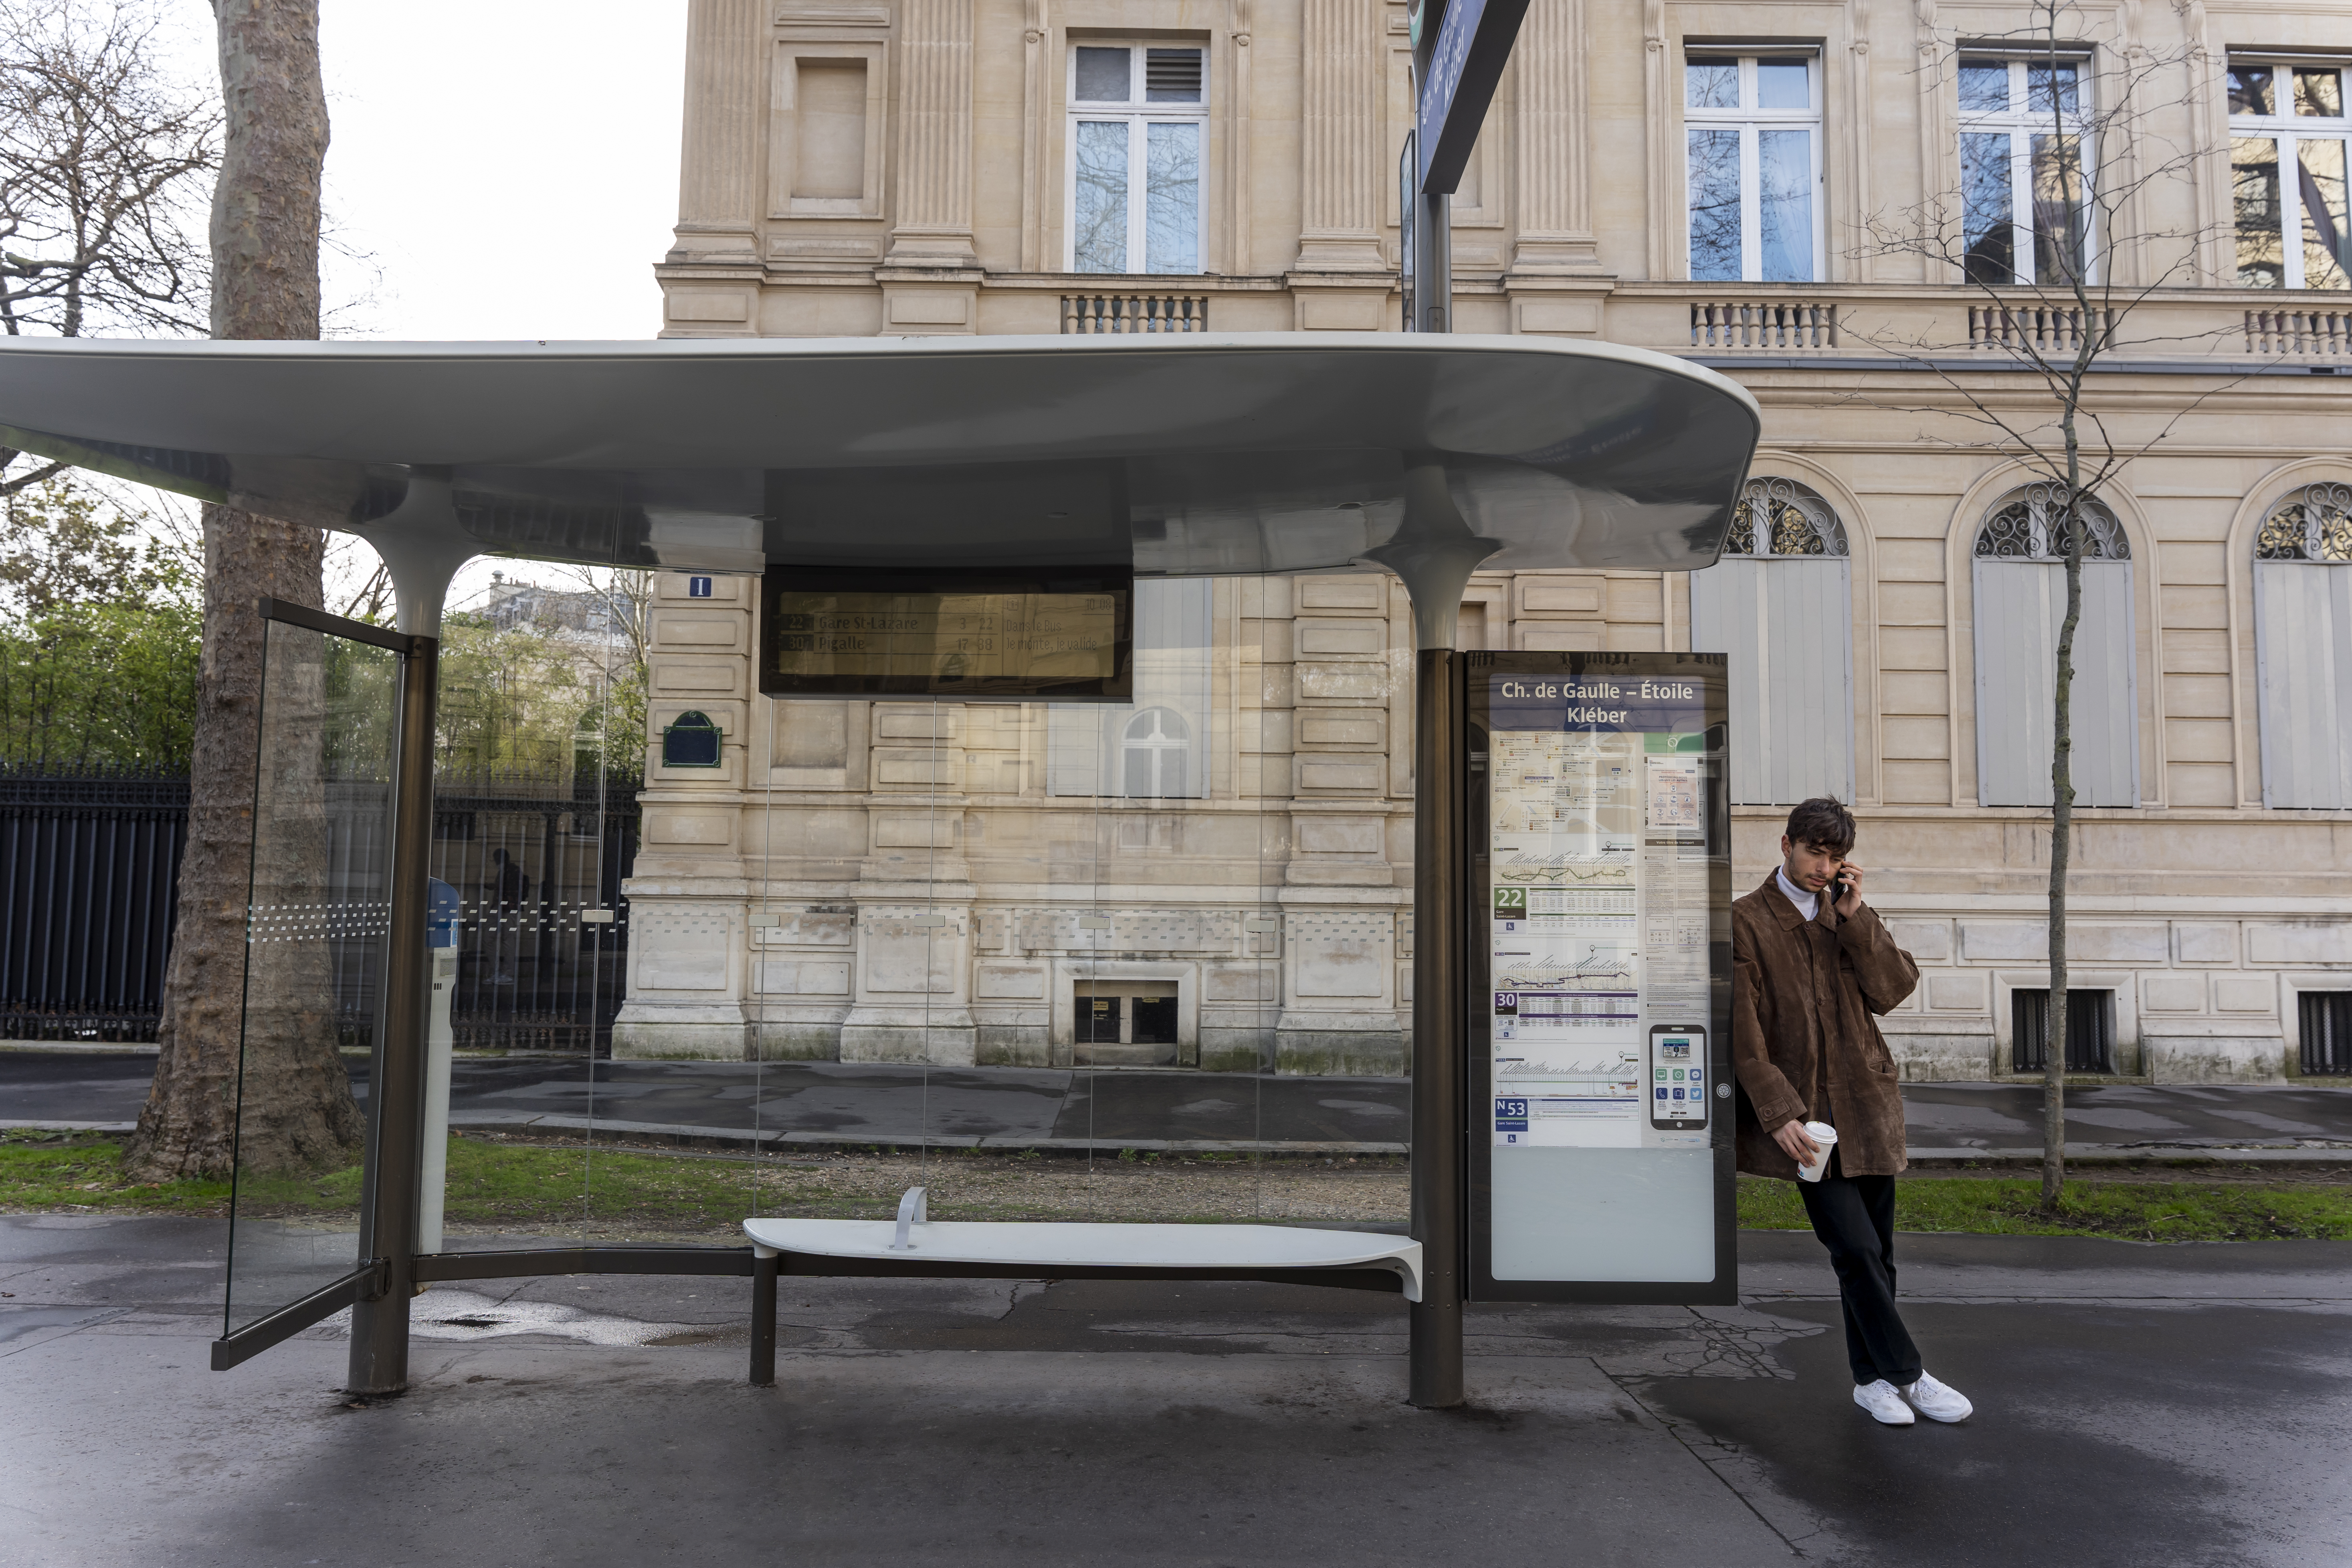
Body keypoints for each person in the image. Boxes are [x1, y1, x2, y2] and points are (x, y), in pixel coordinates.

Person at [1730, 797, 1973, 1427]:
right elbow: (1744, 1033)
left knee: (1879, 1253)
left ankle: (1872, 1382)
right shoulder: (1746, 921)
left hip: (1867, 1107)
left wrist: (1857, 918)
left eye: (1835, 857)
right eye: (1815, 852)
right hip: (1809, 1119)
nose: (1823, 867)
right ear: (1786, 845)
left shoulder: (1846, 914)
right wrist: (1777, 1112)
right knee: (1855, 1249)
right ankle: (1909, 1374)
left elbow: (1893, 990)